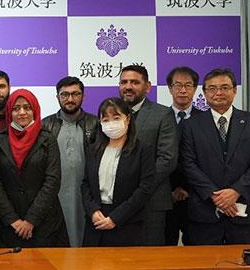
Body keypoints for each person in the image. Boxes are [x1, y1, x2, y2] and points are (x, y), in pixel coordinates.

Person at [181, 68, 250, 245]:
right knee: (202, 263)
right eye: (212, 88)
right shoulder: (190, 125)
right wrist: (216, 196)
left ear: (234, 90)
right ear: (205, 93)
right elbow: (187, 164)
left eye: (224, 87)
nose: (219, 93)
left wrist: (236, 191)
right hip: (204, 213)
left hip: (242, 211)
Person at [0, 89, 69, 248]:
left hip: (45, 222)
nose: (22, 112)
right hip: (9, 224)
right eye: (16, 108)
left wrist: (31, 220)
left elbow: (52, 181)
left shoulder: (47, 139)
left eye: (27, 107)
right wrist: (13, 220)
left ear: (35, 110)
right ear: (9, 112)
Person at [81, 97, 156, 246]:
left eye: (116, 118)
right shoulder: (93, 149)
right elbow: (85, 184)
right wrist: (93, 211)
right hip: (96, 221)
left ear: (127, 119)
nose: (111, 124)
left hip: (128, 223)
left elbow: (145, 188)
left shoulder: (142, 150)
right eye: (106, 120)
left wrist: (116, 218)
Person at [118, 65, 178, 245]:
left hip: (151, 202)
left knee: (150, 258)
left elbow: (167, 159)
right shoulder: (111, 113)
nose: (128, 86)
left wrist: (139, 188)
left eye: (135, 82)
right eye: (124, 82)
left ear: (148, 87)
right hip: (117, 204)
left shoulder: (162, 114)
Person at [41, 76, 99, 247]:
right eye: (65, 94)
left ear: (83, 96)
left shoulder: (95, 124)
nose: (70, 99)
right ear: (57, 97)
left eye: (75, 94)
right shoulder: (45, 125)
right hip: (55, 196)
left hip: (87, 195)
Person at [163, 66, 204, 245]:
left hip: (197, 197)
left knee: (196, 252)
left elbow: (207, 161)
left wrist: (187, 189)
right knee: (164, 251)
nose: (183, 90)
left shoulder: (206, 120)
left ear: (195, 89)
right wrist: (171, 190)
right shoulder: (159, 118)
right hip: (164, 197)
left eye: (188, 85)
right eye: (177, 85)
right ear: (170, 88)